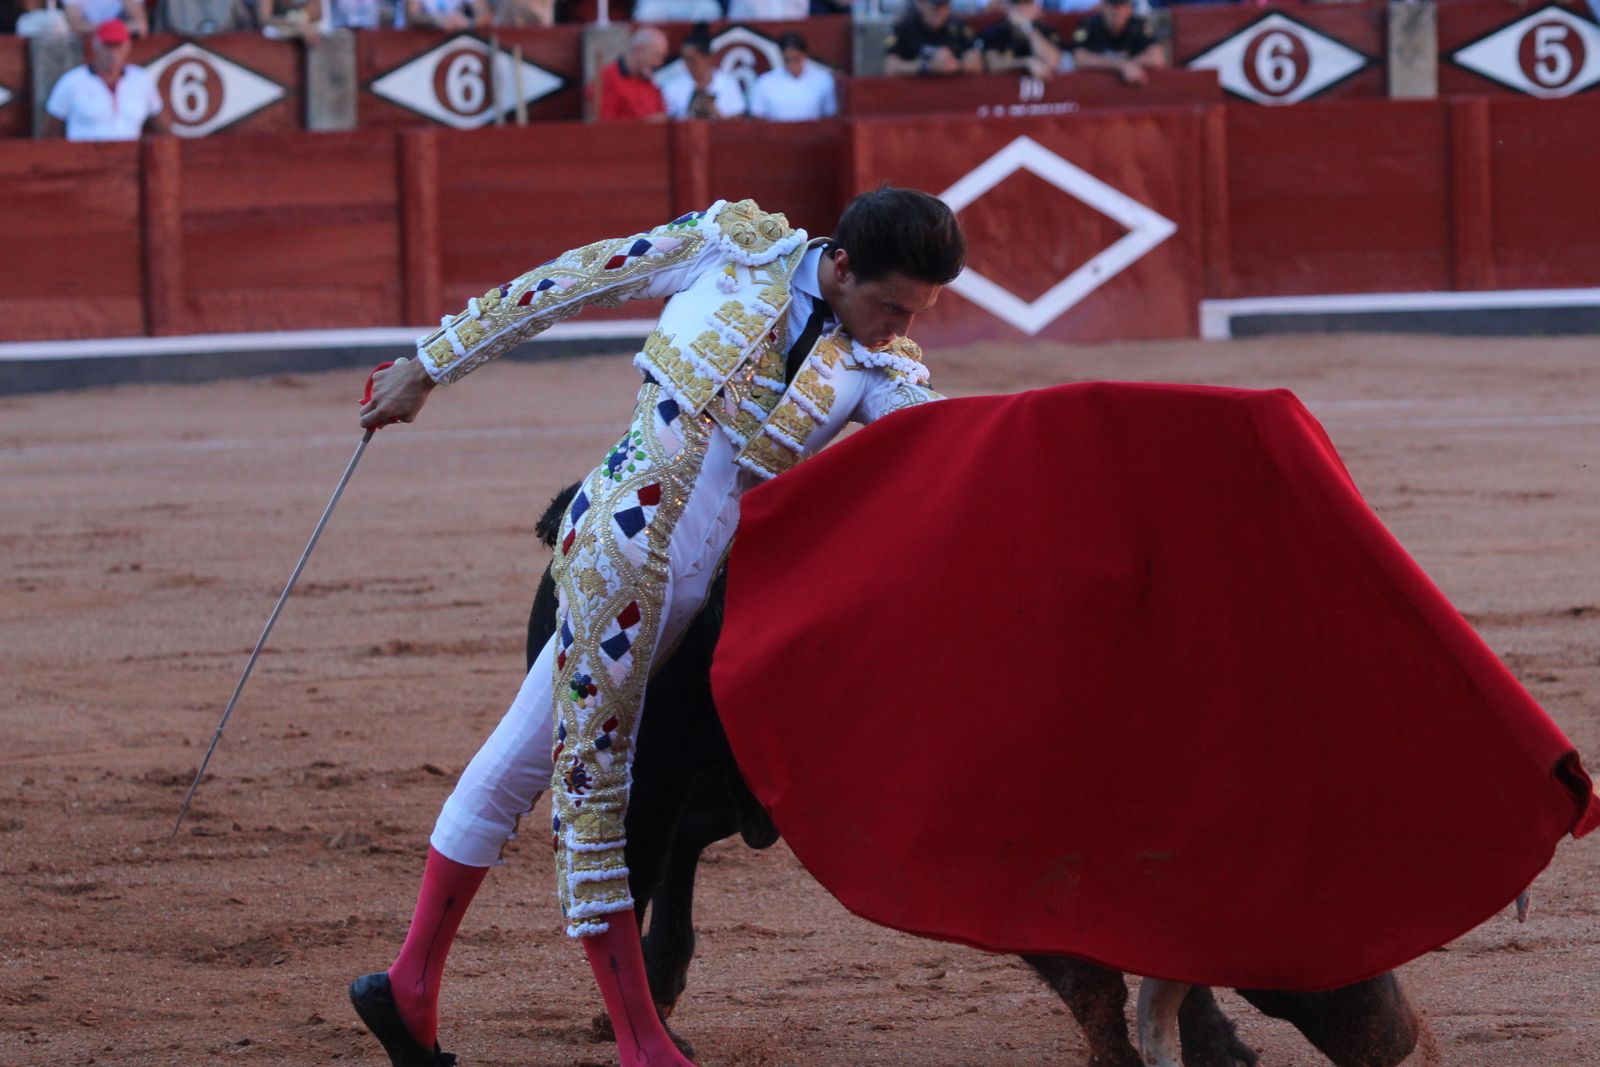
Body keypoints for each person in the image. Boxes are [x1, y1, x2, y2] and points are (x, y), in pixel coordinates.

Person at [348, 187, 966, 1067]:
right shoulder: (732, 248)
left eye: (913, 314)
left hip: (686, 587)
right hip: (619, 551)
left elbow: (943, 448)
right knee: (598, 788)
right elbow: (573, 279)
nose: (896, 327)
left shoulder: (875, 365)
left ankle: (407, 987)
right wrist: (428, 365)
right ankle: (644, 1045)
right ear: (840, 265)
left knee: (514, 765)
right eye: (891, 306)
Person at [44, 19, 167, 142]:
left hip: (130, 153)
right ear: (95, 45)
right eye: (108, 46)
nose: (113, 53)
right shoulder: (71, 81)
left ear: (127, 46)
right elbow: (50, 132)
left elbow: (162, 128)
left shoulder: (142, 80)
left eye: (118, 46)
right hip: (84, 153)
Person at [661, 26, 747, 121]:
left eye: (693, 60)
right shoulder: (672, 87)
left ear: (708, 58)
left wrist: (714, 112)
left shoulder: (728, 84)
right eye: (685, 60)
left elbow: (738, 121)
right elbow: (667, 122)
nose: (688, 66)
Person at [1070, 0, 1165, 85]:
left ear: (1129, 8)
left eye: (1121, 6)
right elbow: (1080, 59)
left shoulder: (1140, 25)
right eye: (1112, 5)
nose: (1116, 11)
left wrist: (1129, 64)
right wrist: (1121, 65)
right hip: (1095, 87)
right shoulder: (1089, 24)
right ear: (1103, 6)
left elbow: (1157, 57)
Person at [749, 32, 837, 122]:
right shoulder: (764, 82)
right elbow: (757, 118)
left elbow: (829, 116)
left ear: (805, 55)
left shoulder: (823, 80)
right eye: (788, 60)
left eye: (796, 58)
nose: (792, 64)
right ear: (782, 57)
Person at [884, 0, 982, 77]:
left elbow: (976, 62)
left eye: (944, 6)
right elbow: (890, 67)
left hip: (952, 90)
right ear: (920, 3)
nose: (939, 11)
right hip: (915, 91)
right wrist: (926, 66)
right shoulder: (903, 28)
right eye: (934, 6)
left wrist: (954, 65)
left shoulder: (958, 27)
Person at [593, 26, 669, 122]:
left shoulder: (648, 79)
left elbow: (661, 113)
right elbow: (605, 125)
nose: (659, 63)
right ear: (639, 49)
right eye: (656, 56)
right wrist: (646, 124)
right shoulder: (607, 79)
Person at [980, 0, 1065, 78]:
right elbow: (993, 65)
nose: (1021, 8)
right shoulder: (996, 30)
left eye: (1027, 3)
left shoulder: (1045, 29)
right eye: (1017, 4)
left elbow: (1052, 60)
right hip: (1005, 86)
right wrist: (1026, 62)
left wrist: (1027, 27)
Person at [63, 0, 147, 36]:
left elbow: (140, 26)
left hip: (120, 46)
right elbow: (73, 26)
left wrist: (100, 29)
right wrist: (112, 29)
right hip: (86, 47)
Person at [404, 0, 488, 31]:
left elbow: (486, 14)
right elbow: (412, 17)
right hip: (422, 44)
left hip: (455, 41)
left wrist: (468, 23)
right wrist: (438, 20)